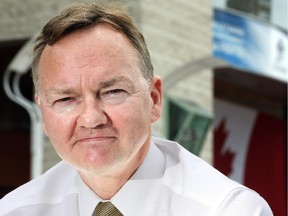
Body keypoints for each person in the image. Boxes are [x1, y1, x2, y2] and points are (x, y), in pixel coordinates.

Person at [0, 2, 273, 216]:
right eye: (65, 100)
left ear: (153, 99)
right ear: (44, 116)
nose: (91, 118)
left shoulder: (227, 210)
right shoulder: (15, 211)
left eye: (112, 92)